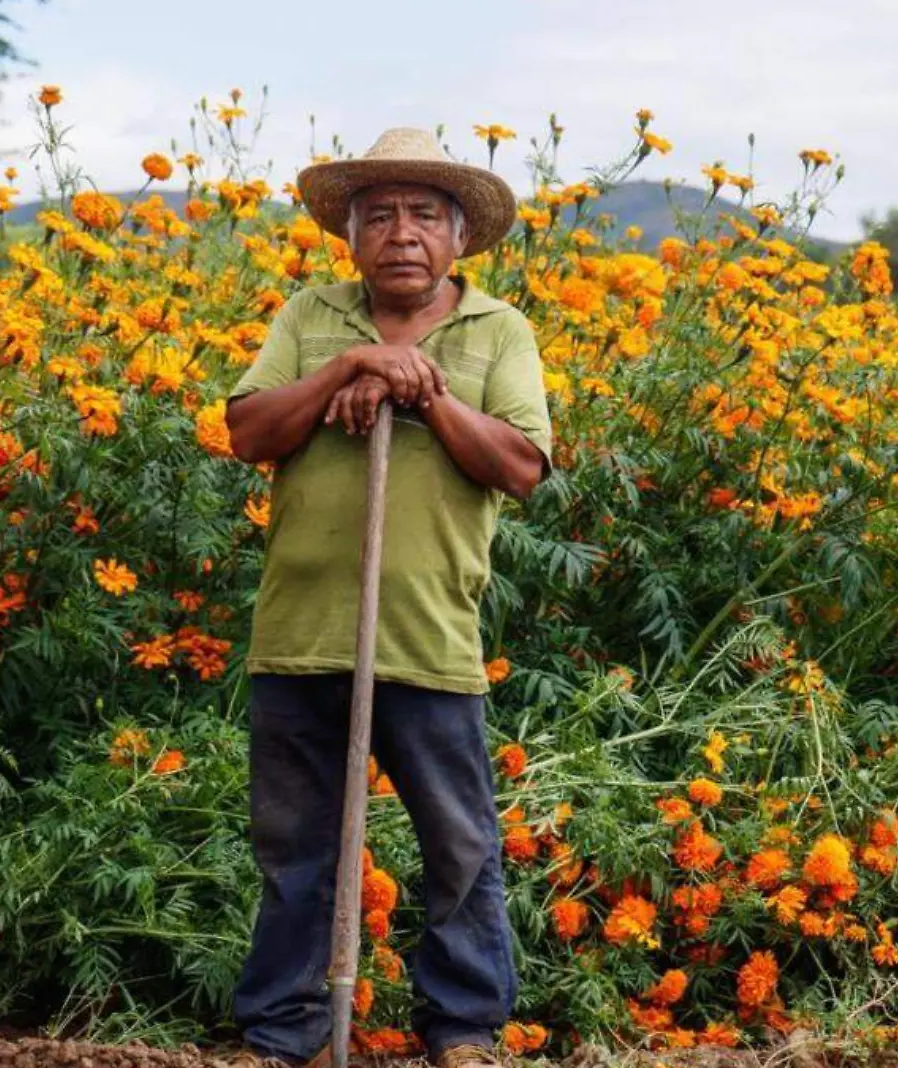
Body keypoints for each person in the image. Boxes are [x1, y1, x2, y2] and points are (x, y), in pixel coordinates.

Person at [223, 127, 553, 1068]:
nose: (400, 233)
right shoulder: (308, 316)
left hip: (428, 637)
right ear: (352, 237)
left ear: (456, 239)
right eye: (380, 217)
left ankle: (463, 1030)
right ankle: (286, 1033)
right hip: (299, 635)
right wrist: (348, 369)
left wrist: (424, 394)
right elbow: (249, 431)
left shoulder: (499, 332)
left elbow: (522, 466)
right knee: (296, 854)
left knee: (458, 847)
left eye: (421, 215)